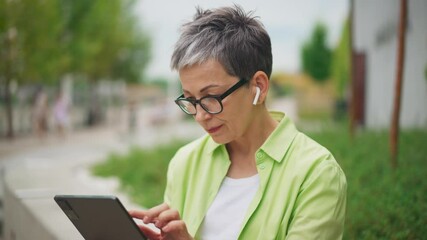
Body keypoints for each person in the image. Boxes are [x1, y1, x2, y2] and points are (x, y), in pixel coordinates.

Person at [129, 5, 347, 240]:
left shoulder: (316, 174)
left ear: (259, 87)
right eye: (191, 100)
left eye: (211, 97)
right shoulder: (185, 162)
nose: (200, 116)